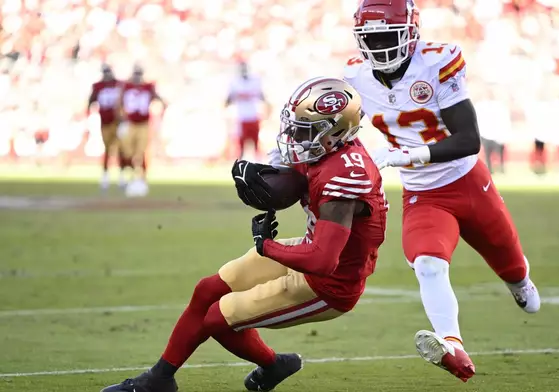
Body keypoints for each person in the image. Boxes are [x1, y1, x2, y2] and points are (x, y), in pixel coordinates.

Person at [100, 77, 387, 392]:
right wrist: (259, 179)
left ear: (335, 131)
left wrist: (267, 246)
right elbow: (295, 183)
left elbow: (323, 261)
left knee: (216, 319)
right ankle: (159, 378)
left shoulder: (344, 177)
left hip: (330, 284)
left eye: (305, 129)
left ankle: (273, 364)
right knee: (207, 289)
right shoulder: (327, 150)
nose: (294, 135)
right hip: (310, 249)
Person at [344, 0, 541, 382]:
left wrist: (403, 156)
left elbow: (468, 140)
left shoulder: (436, 61)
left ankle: (519, 283)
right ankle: (453, 344)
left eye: (388, 34)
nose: (380, 44)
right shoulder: (354, 76)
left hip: (468, 182)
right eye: (372, 37)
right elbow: (330, 126)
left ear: (410, 31)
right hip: (424, 195)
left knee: (514, 270)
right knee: (428, 265)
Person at [118, 65, 166, 197]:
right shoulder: (126, 87)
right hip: (130, 123)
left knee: (142, 152)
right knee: (127, 151)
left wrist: (161, 116)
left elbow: (160, 100)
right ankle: (131, 176)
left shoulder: (148, 87)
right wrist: (121, 119)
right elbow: (119, 103)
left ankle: (142, 178)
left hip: (143, 124)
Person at [88, 64, 126, 189]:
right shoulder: (98, 86)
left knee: (121, 149)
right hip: (105, 123)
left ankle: (121, 176)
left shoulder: (119, 85)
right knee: (108, 150)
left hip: (117, 122)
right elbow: (91, 101)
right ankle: (105, 176)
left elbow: (125, 102)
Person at [225, 61, 270, 160]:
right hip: (241, 117)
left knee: (256, 144)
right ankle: (240, 165)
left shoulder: (256, 80)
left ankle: (258, 165)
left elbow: (263, 97)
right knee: (240, 146)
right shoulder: (234, 82)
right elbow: (228, 100)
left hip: (253, 115)